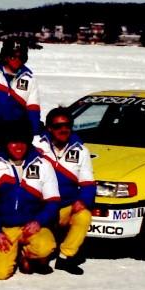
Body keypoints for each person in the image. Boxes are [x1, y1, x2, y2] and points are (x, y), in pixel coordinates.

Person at [0, 121, 61, 281]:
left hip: (31, 226)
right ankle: (13, 253)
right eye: (13, 142)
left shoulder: (43, 165)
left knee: (45, 247)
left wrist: (38, 222)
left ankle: (26, 255)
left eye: (22, 141)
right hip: (6, 228)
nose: (18, 146)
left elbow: (53, 202)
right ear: (5, 142)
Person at [33, 107, 95, 275]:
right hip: (40, 207)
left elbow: (88, 184)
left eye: (67, 125)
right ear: (49, 128)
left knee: (84, 215)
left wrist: (83, 200)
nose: (63, 129)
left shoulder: (81, 150)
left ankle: (65, 257)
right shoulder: (35, 144)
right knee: (39, 252)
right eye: (58, 126)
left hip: (65, 207)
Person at [0, 37, 42, 152]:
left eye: (21, 57)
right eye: (12, 56)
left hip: (17, 135)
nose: (17, 60)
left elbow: (33, 111)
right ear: (5, 56)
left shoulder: (29, 79)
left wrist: (35, 137)